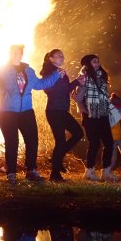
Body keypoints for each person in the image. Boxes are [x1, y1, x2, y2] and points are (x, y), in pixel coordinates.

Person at [0, 44, 63, 185]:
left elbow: (39, 84)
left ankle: (31, 171)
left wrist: (56, 75)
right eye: (12, 52)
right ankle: (11, 173)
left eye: (17, 52)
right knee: (12, 142)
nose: (14, 54)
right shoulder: (1, 70)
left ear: (21, 54)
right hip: (7, 112)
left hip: (26, 111)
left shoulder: (29, 70)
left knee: (32, 140)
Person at [40, 49, 85, 182]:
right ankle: (55, 173)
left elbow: (65, 90)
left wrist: (77, 82)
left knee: (78, 133)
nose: (62, 57)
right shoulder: (50, 72)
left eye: (62, 55)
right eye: (58, 55)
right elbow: (52, 91)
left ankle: (56, 159)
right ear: (51, 58)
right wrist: (76, 82)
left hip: (61, 111)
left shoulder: (60, 72)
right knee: (61, 141)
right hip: (54, 111)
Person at [74, 54, 118, 181]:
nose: (97, 64)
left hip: (103, 114)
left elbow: (103, 95)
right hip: (91, 116)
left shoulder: (102, 76)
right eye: (94, 62)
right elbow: (78, 98)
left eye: (98, 61)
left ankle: (106, 172)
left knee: (109, 143)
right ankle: (89, 171)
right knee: (94, 143)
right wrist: (84, 111)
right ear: (88, 64)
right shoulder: (84, 77)